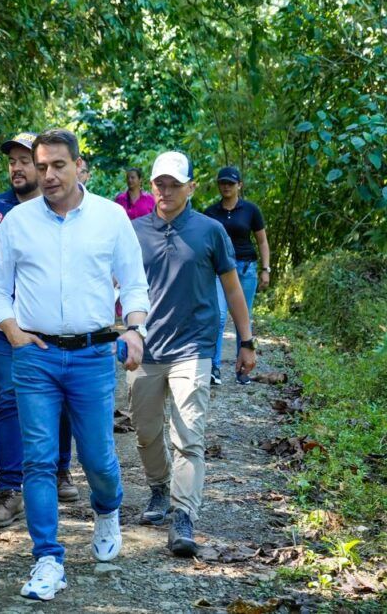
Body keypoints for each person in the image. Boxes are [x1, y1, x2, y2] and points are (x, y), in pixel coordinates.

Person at [0, 128, 149, 601]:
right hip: (35, 358)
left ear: (80, 167)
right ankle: (47, 559)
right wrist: (12, 329)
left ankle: (107, 508)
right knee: (37, 460)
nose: (49, 174)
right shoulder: (17, 222)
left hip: (94, 354)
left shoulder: (110, 218)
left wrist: (134, 327)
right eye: (42, 166)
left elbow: (134, 283)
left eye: (58, 165)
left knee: (97, 456)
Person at [127, 151, 256, 558]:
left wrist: (246, 340)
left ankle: (184, 514)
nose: (165, 191)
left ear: (191, 188)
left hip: (193, 348)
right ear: (151, 186)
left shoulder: (210, 230)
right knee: (146, 432)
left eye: (174, 184)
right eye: (159, 183)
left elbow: (233, 289)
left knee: (189, 436)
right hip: (146, 348)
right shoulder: (132, 231)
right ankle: (160, 489)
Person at [0, 132, 80, 530]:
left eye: (24, 160)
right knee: (7, 403)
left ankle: (61, 469)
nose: (17, 167)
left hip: (50, 327)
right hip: (1, 326)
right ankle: (10, 490)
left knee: (60, 399)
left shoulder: (62, 211)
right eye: (11, 161)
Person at [203, 166, 270, 386]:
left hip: (245, 268)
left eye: (231, 183)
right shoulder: (211, 213)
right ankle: (214, 367)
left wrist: (265, 269)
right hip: (219, 270)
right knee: (219, 317)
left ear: (239, 185)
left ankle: (243, 369)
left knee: (244, 319)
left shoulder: (250, 210)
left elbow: (262, 241)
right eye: (222, 183)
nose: (226, 187)